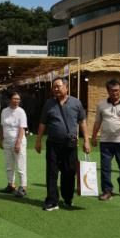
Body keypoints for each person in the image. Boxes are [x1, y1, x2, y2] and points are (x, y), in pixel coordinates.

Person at [35, 77, 91, 211]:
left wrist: (86, 140)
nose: (55, 89)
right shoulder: (49, 103)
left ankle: (67, 198)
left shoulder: (76, 103)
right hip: (53, 144)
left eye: (58, 86)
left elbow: (82, 122)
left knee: (69, 172)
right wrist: (38, 140)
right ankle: (52, 200)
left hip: (70, 144)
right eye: (54, 87)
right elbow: (43, 123)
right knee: (51, 172)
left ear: (66, 87)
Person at [91, 79, 120, 201]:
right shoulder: (101, 105)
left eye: (117, 90)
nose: (115, 93)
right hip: (105, 142)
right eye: (112, 90)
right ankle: (107, 191)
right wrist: (94, 136)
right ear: (108, 91)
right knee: (105, 168)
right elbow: (97, 122)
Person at [0, 91, 28, 198]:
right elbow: (2, 126)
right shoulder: (4, 111)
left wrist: (18, 143)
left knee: (20, 165)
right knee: (9, 165)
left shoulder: (21, 112)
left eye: (18, 99)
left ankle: (23, 187)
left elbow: (22, 128)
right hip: (7, 141)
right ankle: (11, 184)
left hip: (18, 141)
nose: (17, 101)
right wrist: (1, 140)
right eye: (15, 98)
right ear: (9, 99)